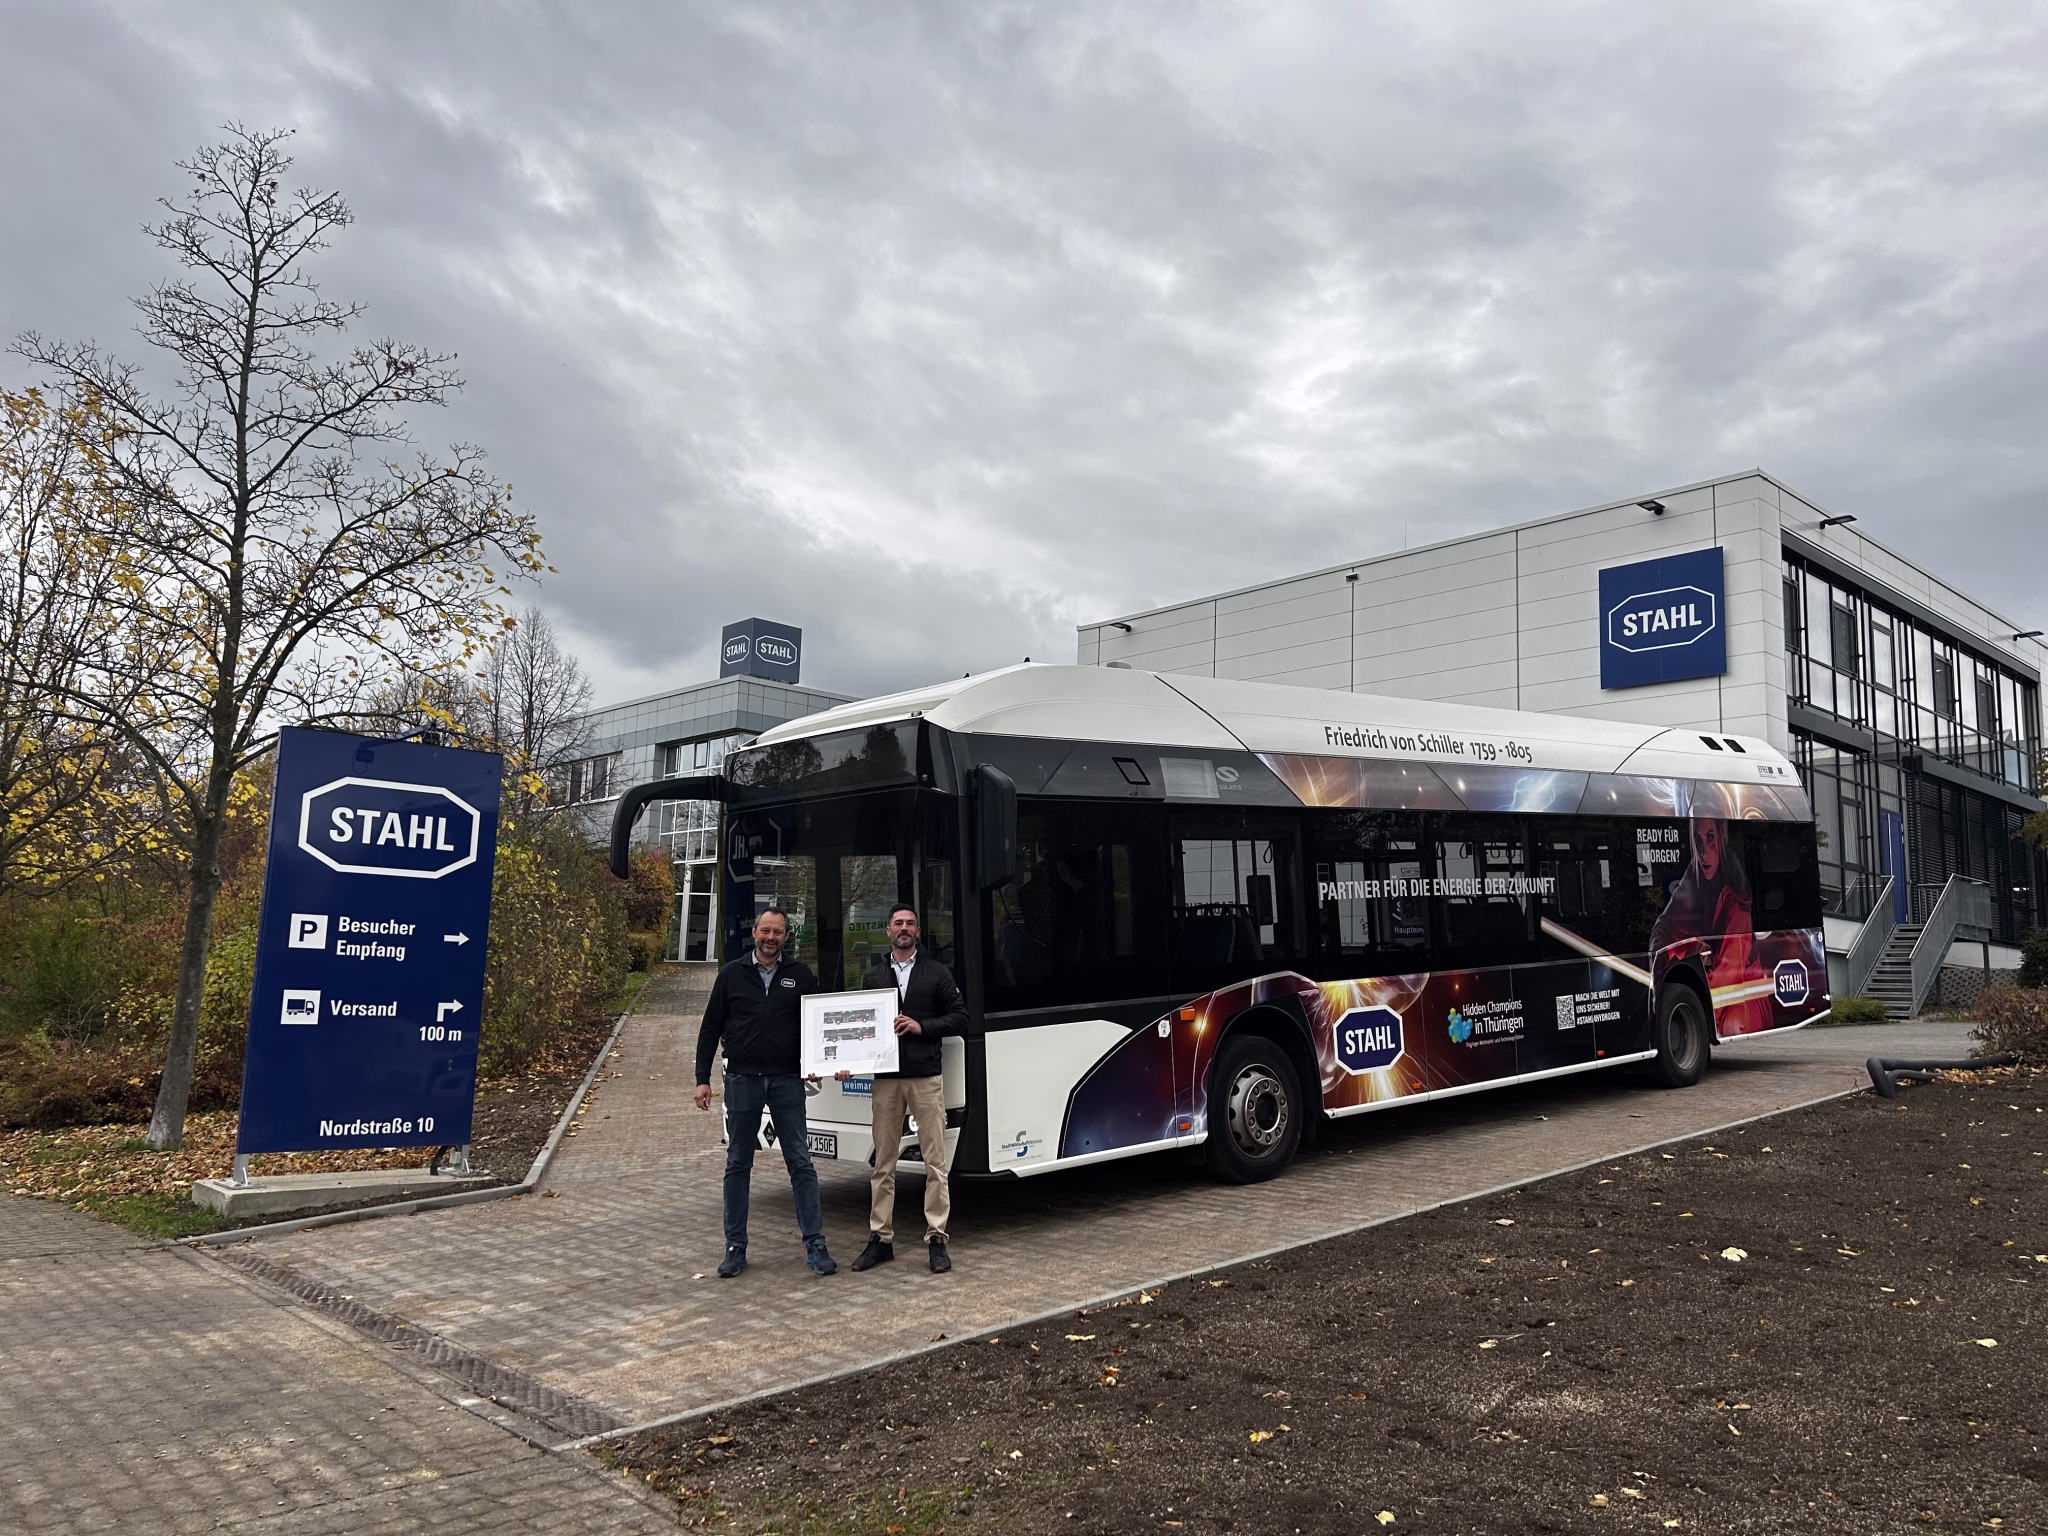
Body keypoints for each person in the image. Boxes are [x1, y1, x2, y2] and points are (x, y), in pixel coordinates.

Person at [694, 908, 837, 1279]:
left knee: (800, 1162)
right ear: (754, 932)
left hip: (787, 1080)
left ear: (786, 937)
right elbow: (710, 1027)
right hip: (742, 1080)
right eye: (765, 931)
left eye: (778, 932)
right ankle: (734, 1247)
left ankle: (816, 1245)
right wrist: (702, 1078)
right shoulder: (731, 975)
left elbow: (819, 1027)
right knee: (738, 1163)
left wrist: (828, 1061)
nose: (771, 938)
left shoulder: (801, 975)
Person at [848, 904, 968, 1274]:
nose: (904, 928)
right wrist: (845, 1060)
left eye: (910, 924)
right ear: (888, 931)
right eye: (898, 923)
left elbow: (960, 1017)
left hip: (925, 1077)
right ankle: (880, 1239)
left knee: (935, 1163)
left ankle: (937, 1238)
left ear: (917, 931)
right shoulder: (873, 976)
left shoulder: (937, 973)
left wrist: (921, 1027)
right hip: (886, 1079)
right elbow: (861, 1028)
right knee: (883, 1163)